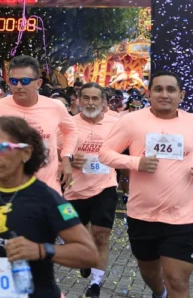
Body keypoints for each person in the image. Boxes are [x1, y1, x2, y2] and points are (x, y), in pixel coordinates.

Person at [99, 71, 193, 298]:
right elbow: (105, 153)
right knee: (149, 273)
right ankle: (158, 293)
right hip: (142, 215)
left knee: (177, 279)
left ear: (181, 95)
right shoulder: (132, 121)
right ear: (149, 93)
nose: (164, 94)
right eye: (158, 89)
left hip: (182, 217)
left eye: (171, 90)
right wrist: (135, 162)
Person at [0, 116, 99, 297]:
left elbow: (89, 254)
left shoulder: (47, 199)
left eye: (1, 148)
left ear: (26, 153)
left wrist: (41, 250)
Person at [0, 55, 76, 193]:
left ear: (38, 83)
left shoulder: (55, 107)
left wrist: (67, 157)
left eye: (25, 81)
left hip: (46, 185)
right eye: (13, 81)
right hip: (5, 188)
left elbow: (71, 131)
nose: (18, 86)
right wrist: (3, 149)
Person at [64, 82, 119, 298]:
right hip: (74, 189)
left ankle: (95, 284)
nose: (90, 102)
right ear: (78, 100)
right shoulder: (68, 124)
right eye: (85, 98)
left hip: (104, 185)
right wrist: (69, 159)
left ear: (104, 102)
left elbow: (127, 146)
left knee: (101, 235)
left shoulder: (116, 123)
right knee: (72, 236)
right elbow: (58, 153)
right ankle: (86, 256)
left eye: (95, 98)